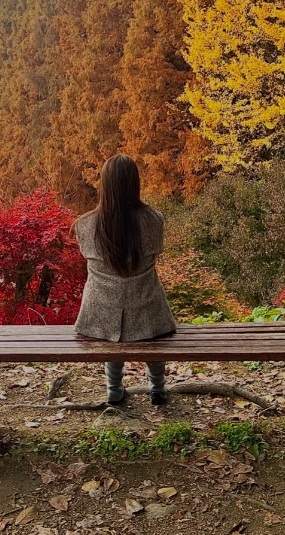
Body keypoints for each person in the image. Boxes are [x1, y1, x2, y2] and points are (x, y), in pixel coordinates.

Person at [73, 154, 176, 406]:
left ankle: (114, 389)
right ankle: (158, 388)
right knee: (151, 331)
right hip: (148, 310)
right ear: (134, 183)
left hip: (98, 315)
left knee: (111, 334)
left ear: (104, 184)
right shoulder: (154, 220)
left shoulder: (85, 225)